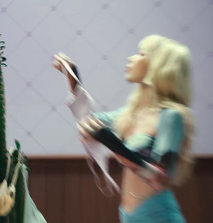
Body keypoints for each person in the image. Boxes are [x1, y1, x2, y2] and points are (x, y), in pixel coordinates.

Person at [54, 35, 195, 222]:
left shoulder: (171, 117)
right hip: (128, 215)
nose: (131, 58)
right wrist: (72, 76)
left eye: (141, 54)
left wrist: (108, 140)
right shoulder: (131, 114)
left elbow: (155, 174)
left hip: (158, 214)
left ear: (159, 67)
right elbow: (89, 121)